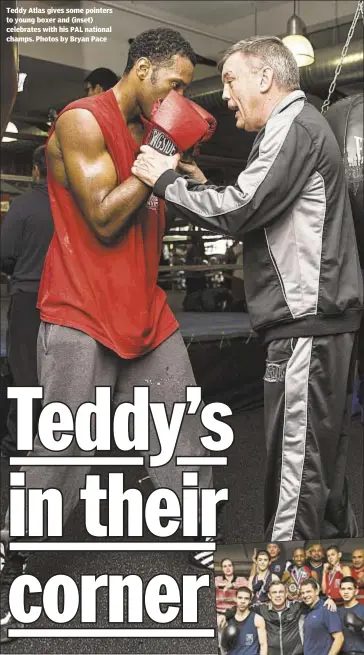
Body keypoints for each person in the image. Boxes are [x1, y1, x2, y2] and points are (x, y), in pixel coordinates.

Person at [0, 27, 215, 643]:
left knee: (180, 425)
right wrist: (163, 154)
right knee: (68, 446)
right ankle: (18, 555)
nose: (180, 94)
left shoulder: (153, 134)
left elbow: (170, 198)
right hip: (80, 312)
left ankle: (197, 535)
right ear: (143, 70)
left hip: (144, 310)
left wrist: (184, 173)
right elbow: (103, 216)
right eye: (175, 82)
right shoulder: (81, 121)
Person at [131, 35, 363, 542]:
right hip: (317, 326)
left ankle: (278, 612)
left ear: (265, 77)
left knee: (296, 482)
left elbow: (240, 209)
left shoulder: (293, 124)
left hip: (308, 326)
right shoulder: (292, 128)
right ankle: (335, 599)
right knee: (322, 483)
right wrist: (193, 181)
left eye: (231, 80)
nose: (226, 95)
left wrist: (164, 180)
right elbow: (257, 205)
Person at [0, 146, 54, 458]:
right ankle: (60, 442)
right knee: (65, 371)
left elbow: (4, 254)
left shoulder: (23, 206)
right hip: (68, 300)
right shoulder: (76, 206)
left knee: (24, 372)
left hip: (29, 298)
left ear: (36, 169)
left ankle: (18, 444)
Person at [300, 578, 344, 655]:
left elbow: (339, 638)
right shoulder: (307, 610)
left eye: (308, 591)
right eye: (303, 593)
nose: (305, 595)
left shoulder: (327, 608)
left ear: (317, 591)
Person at [215, 559, 249, 653]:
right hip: (219, 613)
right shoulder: (218, 579)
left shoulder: (241, 579)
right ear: (222, 569)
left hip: (235, 612)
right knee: (222, 642)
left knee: (238, 641)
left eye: (229, 565)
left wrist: (232, 585)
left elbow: (247, 589)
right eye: (225, 566)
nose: (227, 568)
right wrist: (223, 585)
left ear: (233, 567)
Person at [225, 586, 268, 655]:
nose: (243, 601)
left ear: (250, 601)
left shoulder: (257, 619)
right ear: (235, 599)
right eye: (240, 598)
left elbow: (263, 646)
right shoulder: (227, 619)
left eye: (246, 598)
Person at [338, 576, 364, 654]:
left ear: (356, 591)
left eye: (349, 589)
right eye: (343, 589)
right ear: (339, 591)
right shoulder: (336, 612)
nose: (346, 592)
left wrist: (362, 627)